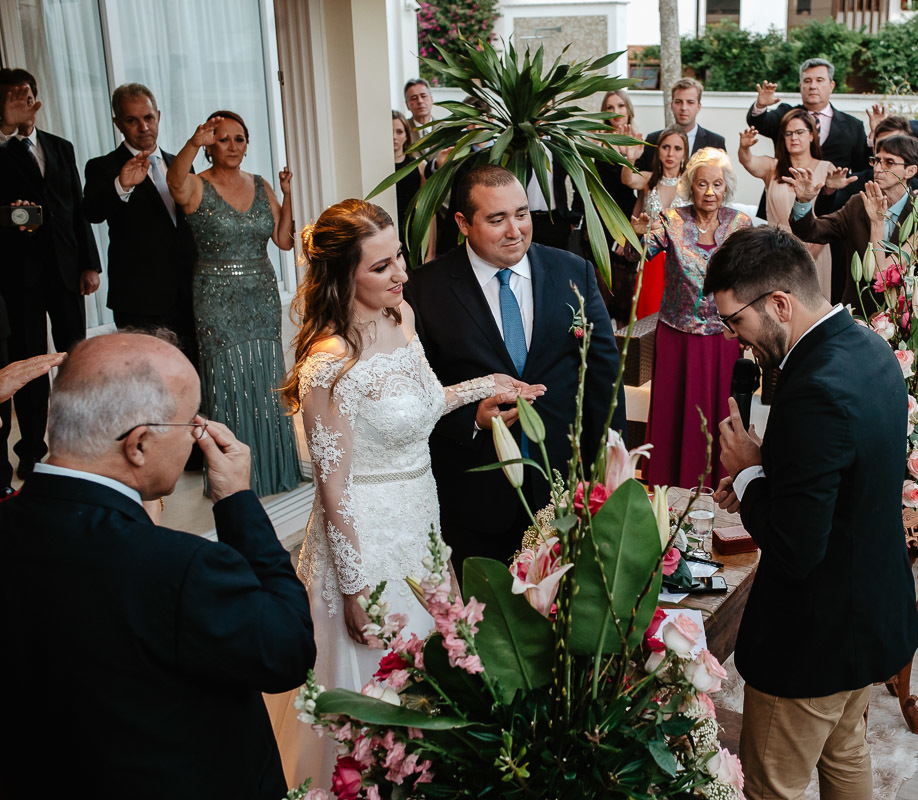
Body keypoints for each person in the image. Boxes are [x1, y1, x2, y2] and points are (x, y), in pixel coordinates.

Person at [268, 199, 542, 785]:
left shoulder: (401, 316)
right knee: (375, 693)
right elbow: (332, 489)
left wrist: (485, 386)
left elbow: (422, 403)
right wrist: (354, 589)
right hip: (366, 538)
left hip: (420, 520)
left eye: (398, 258)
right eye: (381, 266)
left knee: (428, 679)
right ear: (342, 276)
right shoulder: (328, 364)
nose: (400, 274)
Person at [0, 331, 316, 798]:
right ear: (139, 445)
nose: (196, 435)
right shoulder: (183, 568)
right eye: (190, 422)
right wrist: (238, 502)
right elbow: (287, 650)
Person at [707, 226, 918, 800]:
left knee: (770, 787)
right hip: (870, 610)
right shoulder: (868, 348)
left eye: (736, 321)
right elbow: (845, 478)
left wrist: (747, 472)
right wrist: (765, 472)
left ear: (780, 303)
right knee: (845, 751)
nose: (735, 339)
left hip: (815, 634)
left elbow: (796, 549)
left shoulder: (815, 387)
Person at [406, 165, 624, 575]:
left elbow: (603, 377)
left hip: (566, 491)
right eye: (497, 219)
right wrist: (472, 419)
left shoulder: (572, 272)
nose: (515, 230)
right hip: (475, 498)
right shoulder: (425, 289)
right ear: (463, 224)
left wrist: (609, 470)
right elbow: (415, 393)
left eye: (522, 214)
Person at [166, 111, 302, 497]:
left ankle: (274, 470)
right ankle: (234, 479)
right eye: (222, 139)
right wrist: (192, 142)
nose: (232, 146)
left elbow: (283, 241)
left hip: (261, 294)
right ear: (209, 146)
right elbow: (173, 181)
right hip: (216, 297)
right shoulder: (196, 184)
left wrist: (288, 194)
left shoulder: (260, 184)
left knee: (265, 375)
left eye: (238, 138)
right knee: (225, 381)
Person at [0, 68, 101, 488]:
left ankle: (81, 442)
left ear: (37, 100)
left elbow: (76, 207)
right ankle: (31, 451)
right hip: (18, 274)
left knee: (74, 358)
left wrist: (90, 263)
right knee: (29, 363)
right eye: (11, 96)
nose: (22, 102)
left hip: (67, 269)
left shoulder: (61, 146)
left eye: (26, 95)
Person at [631, 148, 752, 488]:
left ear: (726, 187)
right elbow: (638, 255)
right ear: (690, 186)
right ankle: (668, 485)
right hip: (676, 336)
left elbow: (753, 277)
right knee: (673, 412)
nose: (710, 192)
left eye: (717, 184)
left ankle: (719, 483)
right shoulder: (671, 219)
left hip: (722, 338)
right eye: (702, 184)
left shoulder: (740, 224)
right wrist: (637, 235)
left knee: (718, 413)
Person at [84, 83, 197, 358]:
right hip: (139, 300)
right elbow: (92, 212)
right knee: (148, 376)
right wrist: (122, 185)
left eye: (148, 118)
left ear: (158, 116)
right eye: (132, 120)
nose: (143, 127)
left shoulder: (180, 164)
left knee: (191, 374)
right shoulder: (103, 166)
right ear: (118, 123)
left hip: (188, 295)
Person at [789, 133, 918, 307]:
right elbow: (812, 231)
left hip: (904, 314)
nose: (878, 168)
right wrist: (803, 202)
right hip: (857, 312)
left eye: (889, 162)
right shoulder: (858, 204)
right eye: (876, 161)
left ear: (910, 170)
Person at [738, 109, 845, 297]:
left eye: (799, 132)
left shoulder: (827, 169)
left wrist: (810, 253)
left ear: (811, 135)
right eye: (788, 133)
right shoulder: (773, 167)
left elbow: (829, 217)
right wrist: (744, 148)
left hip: (815, 249)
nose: (793, 137)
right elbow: (749, 162)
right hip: (776, 249)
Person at [618, 126, 690, 318]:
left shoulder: (691, 184)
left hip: (681, 260)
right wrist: (630, 159)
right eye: (666, 147)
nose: (670, 153)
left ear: (685, 153)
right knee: (649, 313)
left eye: (677, 148)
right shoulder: (649, 179)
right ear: (658, 151)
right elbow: (627, 180)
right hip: (652, 259)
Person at [748, 63, 869, 173]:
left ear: (831, 86)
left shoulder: (853, 126)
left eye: (819, 80)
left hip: (834, 190)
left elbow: (862, 171)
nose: (813, 86)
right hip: (786, 187)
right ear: (801, 86)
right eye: (807, 81)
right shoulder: (786, 114)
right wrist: (760, 106)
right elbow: (760, 124)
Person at [594, 90, 642, 321]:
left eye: (621, 106)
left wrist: (630, 232)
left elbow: (643, 189)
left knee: (624, 291)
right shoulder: (597, 140)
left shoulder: (639, 140)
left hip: (625, 217)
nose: (616, 112)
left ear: (628, 108)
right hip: (599, 218)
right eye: (610, 107)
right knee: (600, 289)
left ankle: (624, 338)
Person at [635, 78, 725, 173]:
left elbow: (723, 178)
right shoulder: (653, 140)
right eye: (678, 102)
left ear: (698, 107)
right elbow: (637, 176)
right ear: (672, 105)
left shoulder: (715, 143)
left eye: (690, 102)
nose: (684, 108)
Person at [391, 109, 422, 217]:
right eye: (389, 131)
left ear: (406, 136)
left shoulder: (419, 165)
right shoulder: (375, 167)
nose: (394, 137)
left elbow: (426, 206)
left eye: (399, 132)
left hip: (412, 223)